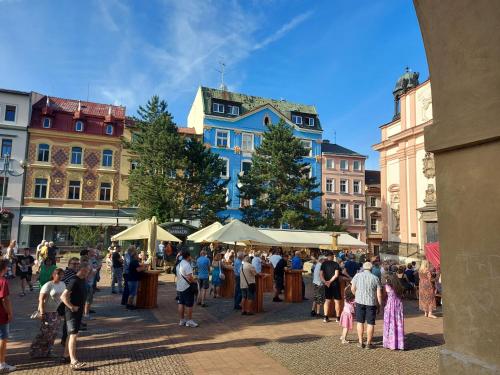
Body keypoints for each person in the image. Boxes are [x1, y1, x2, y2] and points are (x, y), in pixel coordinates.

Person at [61, 261, 90, 370]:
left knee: (71, 335)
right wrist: (71, 306)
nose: (88, 273)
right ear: (82, 270)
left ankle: (65, 356)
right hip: (71, 313)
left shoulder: (82, 280)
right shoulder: (74, 280)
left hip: (78, 313)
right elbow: (63, 296)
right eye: (87, 271)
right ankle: (73, 361)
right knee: (73, 335)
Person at [30, 267, 66, 358]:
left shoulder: (62, 284)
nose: (60, 276)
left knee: (54, 333)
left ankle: (48, 351)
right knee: (45, 333)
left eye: (62, 274)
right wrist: (42, 313)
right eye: (59, 274)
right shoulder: (48, 285)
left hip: (57, 312)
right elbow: (41, 300)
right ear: (53, 275)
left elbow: (64, 297)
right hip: (47, 312)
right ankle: (35, 350)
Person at [351, 262, 383, 349]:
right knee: (370, 323)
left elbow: (352, 288)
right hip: (371, 303)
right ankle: (369, 343)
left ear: (363, 268)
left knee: (360, 322)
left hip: (359, 301)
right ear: (371, 268)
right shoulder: (375, 278)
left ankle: (361, 342)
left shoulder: (357, 276)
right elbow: (379, 294)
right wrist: (379, 305)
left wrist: (356, 295)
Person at [382, 273, 405, 350]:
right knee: (398, 323)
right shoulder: (399, 287)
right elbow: (401, 296)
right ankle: (399, 343)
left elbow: (384, 297)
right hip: (398, 305)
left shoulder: (387, 287)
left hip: (390, 306)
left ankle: (390, 343)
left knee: (389, 323)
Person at [176, 250, 198, 327]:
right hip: (187, 286)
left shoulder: (178, 265)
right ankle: (189, 321)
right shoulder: (187, 265)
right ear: (188, 256)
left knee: (181, 303)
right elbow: (189, 277)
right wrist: (194, 280)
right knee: (189, 304)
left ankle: (182, 320)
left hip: (179, 286)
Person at [0, 259, 15, 372]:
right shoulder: (3, 281)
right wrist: (9, 313)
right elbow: (5, 299)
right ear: (4, 268)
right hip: (1, 314)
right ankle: (1, 363)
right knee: (3, 338)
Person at [320, 254, 341, 322]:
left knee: (327, 300)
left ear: (327, 257)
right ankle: (338, 317)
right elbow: (336, 275)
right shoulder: (336, 264)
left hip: (327, 284)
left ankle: (325, 317)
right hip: (335, 284)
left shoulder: (323, 264)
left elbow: (321, 275)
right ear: (332, 257)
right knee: (337, 301)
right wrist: (330, 281)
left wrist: (326, 282)